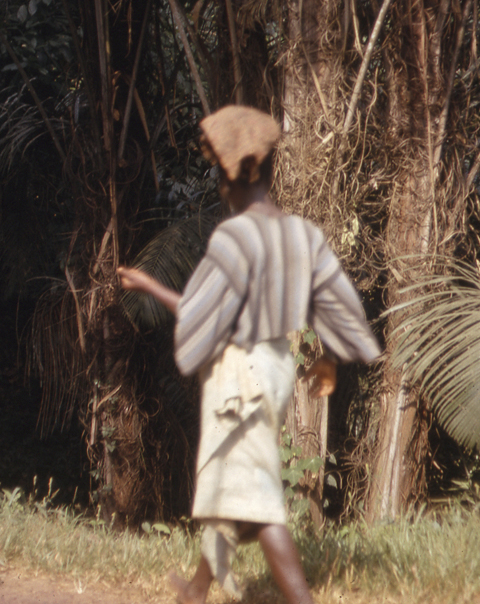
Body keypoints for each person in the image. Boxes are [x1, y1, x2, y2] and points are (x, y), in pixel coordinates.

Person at [117, 104, 381, 604]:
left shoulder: (235, 237)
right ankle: (196, 591)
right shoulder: (300, 234)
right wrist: (331, 358)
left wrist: (153, 290)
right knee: (228, 484)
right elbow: (335, 301)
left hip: (240, 375)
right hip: (275, 369)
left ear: (245, 174)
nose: (220, 187)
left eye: (221, 176)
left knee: (256, 499)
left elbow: (200, 312)